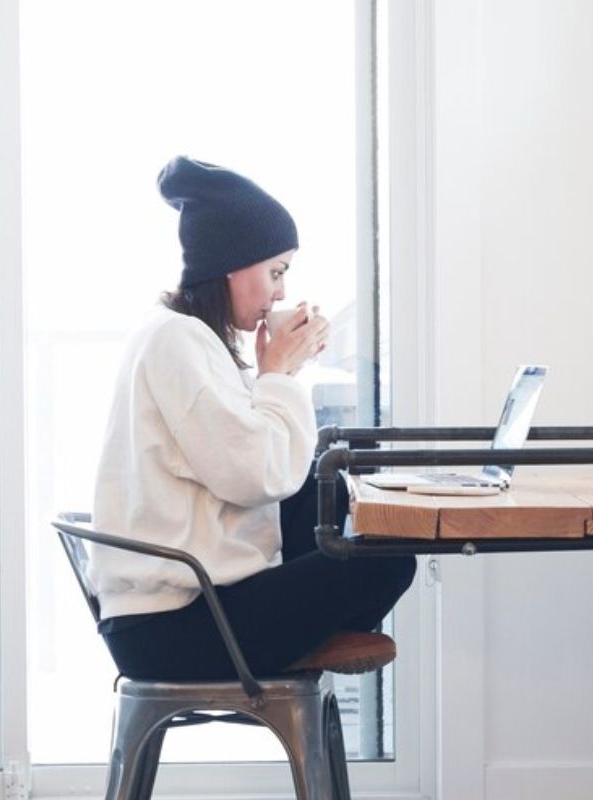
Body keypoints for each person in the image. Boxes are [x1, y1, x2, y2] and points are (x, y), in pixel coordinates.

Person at [89, 155, 416, 680]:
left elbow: (267, 469)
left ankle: (325, 623)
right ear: (232, 265)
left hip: (184, 607)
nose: (282, 292)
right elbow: (254, 475)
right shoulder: (178, 341)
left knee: (316, 490)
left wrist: (279, 371)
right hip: (176, 625)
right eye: (276, 272)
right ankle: (328, 626)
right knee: (392, 560)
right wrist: (280, 373)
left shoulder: (188, 338)